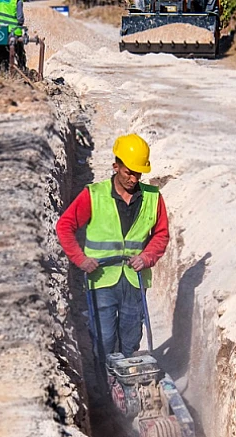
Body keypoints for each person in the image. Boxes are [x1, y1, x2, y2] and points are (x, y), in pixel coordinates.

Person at [57, 134, 171, 358]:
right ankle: (107, 381)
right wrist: (80, 259)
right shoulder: (94, 195)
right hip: (101, 279)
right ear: (116, 166)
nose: (134, 178)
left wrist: (147, 257)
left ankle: (128, 380)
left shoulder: (153, 198)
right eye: (129, 172)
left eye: (138, 173)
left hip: (134, 279)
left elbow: (161, 234)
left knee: (130, 338)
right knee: (105, 337)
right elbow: (65, 226)